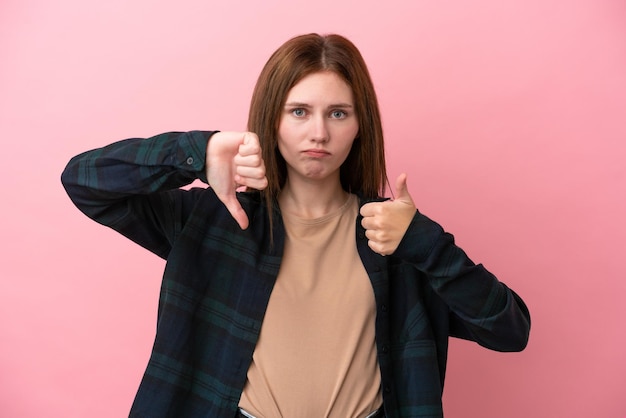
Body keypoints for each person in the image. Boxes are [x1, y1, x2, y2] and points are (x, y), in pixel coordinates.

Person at [61, 33, 530, 418]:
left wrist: (427, 245)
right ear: (273, 120)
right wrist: (195, 153)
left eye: (338, 113)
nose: (319, 133)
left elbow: (510, 331)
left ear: (360, 125)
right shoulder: (216, 221)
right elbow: (84, 181)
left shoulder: (395, 235)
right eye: (299, 111)